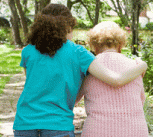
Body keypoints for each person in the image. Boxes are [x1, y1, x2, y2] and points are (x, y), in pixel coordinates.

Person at [13, 4, 147, 137]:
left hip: (24, 122)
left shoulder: (28, 51)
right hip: (58, 125)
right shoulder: (78, 53)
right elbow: (116, 80)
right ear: (67, 27)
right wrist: (141, 66)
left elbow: (34, 84)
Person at [75, 21, 148, 137]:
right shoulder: (137, 67)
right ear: (120, 44)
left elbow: (73, 100)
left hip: (98, 131)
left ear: (94, 45)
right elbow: (141, 101)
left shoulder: (88, 68)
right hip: (136, 131)